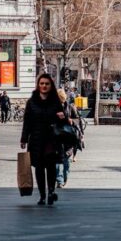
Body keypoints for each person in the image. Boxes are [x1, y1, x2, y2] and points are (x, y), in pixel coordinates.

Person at [21, 74, 66, 205]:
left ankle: (51, 192)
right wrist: (24, 138)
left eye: (47, 84)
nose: (44, 86)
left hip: (51, 139)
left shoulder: (56, 101)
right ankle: (42, 195)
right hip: (36, 139)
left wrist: (62, 116)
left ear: (51, 86)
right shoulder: (32, 102)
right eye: (42, 83)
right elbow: (27, 122)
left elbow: (63, 119)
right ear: (38, 85)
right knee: (39, 168)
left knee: (51, 166)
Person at [56, 89, 79, 188]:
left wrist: (72, 121)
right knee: (57, 162)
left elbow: (78, 120)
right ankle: (59, 180)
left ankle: (64, 177)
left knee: (67, 162)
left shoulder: (70, 107)